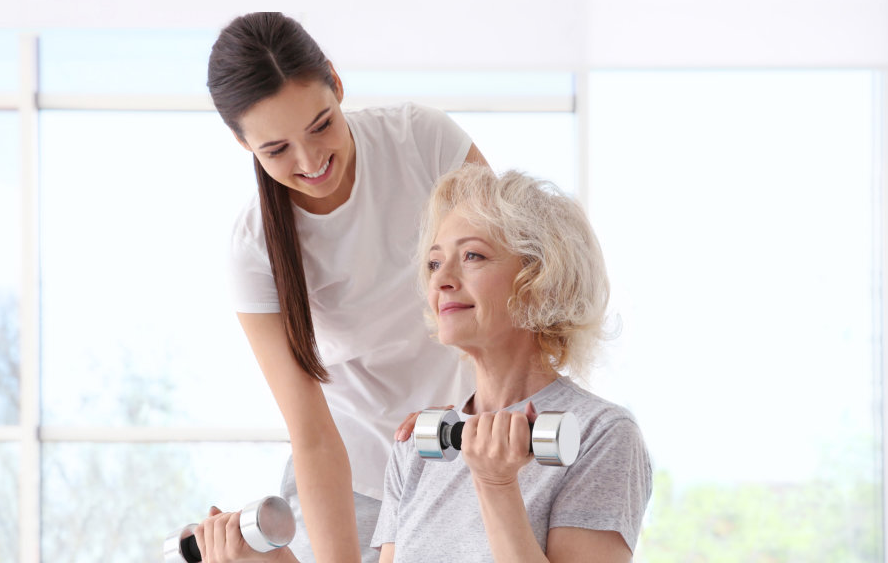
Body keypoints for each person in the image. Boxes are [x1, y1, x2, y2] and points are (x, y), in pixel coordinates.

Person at [197, 164, 652, 563]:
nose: (443, 281)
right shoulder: (420, 444)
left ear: (539, 278)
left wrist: (496, 486)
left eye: (472, 256)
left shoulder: (601, 434)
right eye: (435, 264)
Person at [197, 11, 489, 563]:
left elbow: (509, 281)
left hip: (465, 448)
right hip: (347, 476)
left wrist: (487, 412)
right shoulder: (253, 247)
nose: (311, 162)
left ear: (335, 81)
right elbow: (311, 432)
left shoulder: (423, 141)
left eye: (321, 125)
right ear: (242, 143)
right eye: (276, 150)